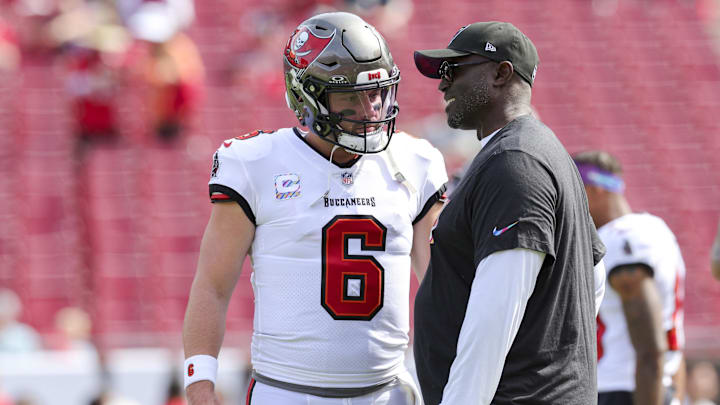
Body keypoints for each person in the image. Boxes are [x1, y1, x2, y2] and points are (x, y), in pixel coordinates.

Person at [182, 11, 448, 405]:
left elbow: (439, 285)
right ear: (305, 96)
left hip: (387, 392)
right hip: (286, 391)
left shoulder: (414, 161)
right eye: (350, 95)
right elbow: (213, 285)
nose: (369, 109)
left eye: (375, 92)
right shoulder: (255, 163)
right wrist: (199, 381)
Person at [411, 21, 607, 404]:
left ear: (501, 73)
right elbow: (593, 274)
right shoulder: (536, 150)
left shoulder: (515, 162)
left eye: (454, 70)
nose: (442, 84)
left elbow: (494, 316)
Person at [574, 151, 687, 405]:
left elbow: (651, 350)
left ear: (594, 190)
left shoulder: (622, 238)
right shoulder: (654, 229)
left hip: (624, 389)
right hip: (647, 386)